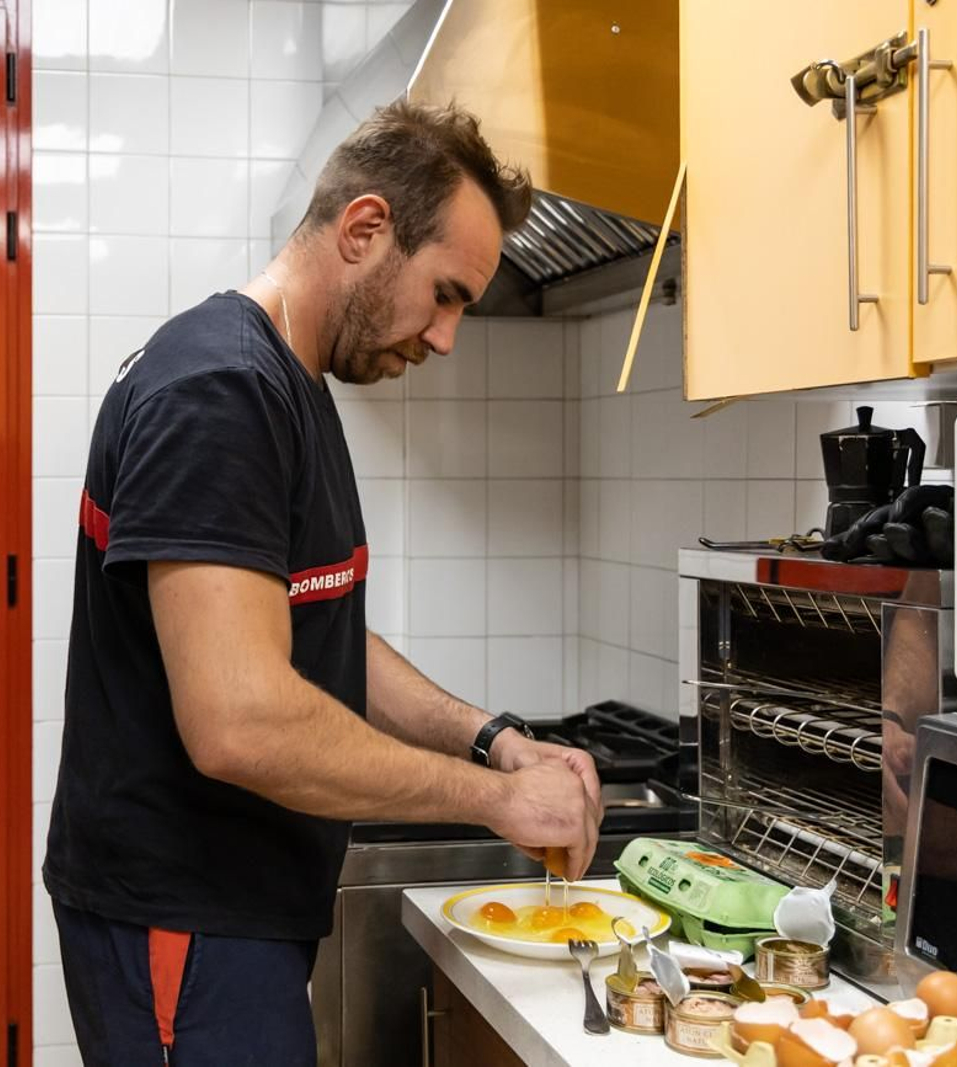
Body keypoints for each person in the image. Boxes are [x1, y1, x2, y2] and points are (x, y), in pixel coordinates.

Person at [43, 100, 602, 1066]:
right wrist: (493, 799)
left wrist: (491, 738)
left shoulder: (290, 384)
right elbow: (244, 718)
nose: (445, 337)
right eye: (446, 293)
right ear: (365, 229)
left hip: (236, 918)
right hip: (185, 920)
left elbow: (316, 635)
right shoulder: (218, 392)